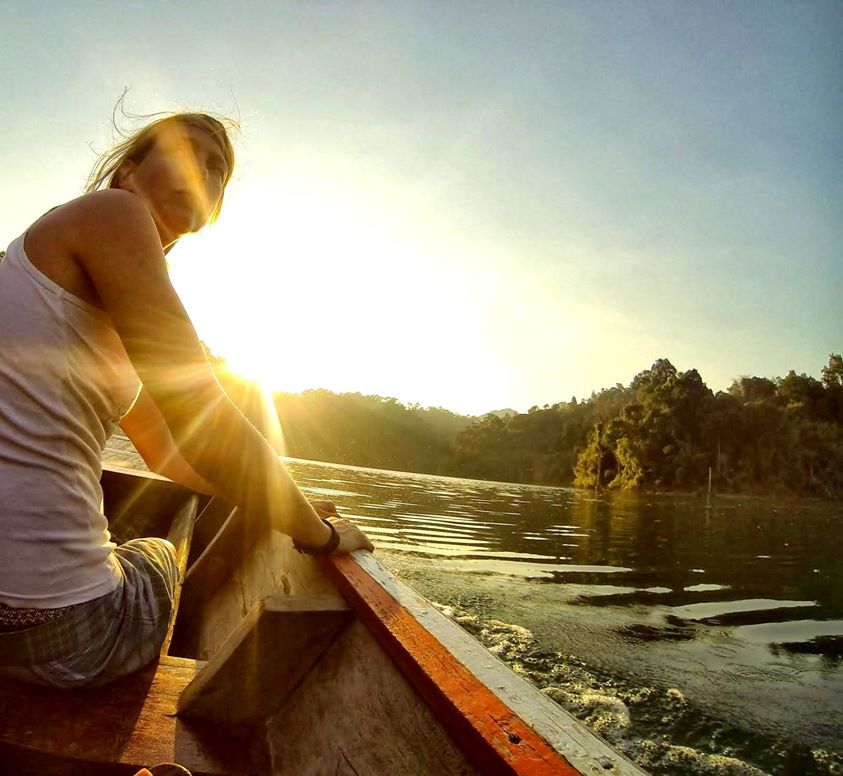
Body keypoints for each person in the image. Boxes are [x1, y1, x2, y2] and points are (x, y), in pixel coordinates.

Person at [0, 110, 374, 689]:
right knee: (157, 548)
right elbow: (210, 423)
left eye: (216, 168)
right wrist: (318, 534)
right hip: (53, 636)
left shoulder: (66, 269)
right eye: (180, 153)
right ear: (127, 173)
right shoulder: (112, 213)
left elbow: (171, 454)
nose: (201, 172)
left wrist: (282, 504)